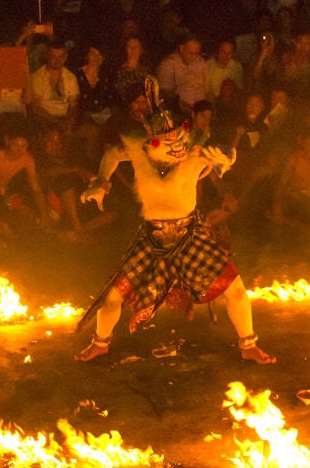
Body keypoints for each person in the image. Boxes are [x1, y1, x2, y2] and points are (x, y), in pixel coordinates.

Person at [75, 77, 274, 365]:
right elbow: (111, 154)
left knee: (236, 290)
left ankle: (249, 344)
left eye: (179, 137)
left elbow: (225, 154)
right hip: (151, 238)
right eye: (168, 142)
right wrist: (102, 182)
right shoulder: (139, 151)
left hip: (190, 235)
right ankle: (100, 343)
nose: (177, 146)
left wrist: (227, 159)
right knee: (112, 297)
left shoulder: (194, 151)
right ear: (151, 141)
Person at [157, 34, 209, 113]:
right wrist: (187, 108)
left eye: (197, 53)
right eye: (191, 53)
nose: (194, 57)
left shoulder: (201, 63)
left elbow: (209, 90)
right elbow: (166, 94)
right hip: (180, 112)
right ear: (182, 48)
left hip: (202, 113)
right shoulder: (168, 64)